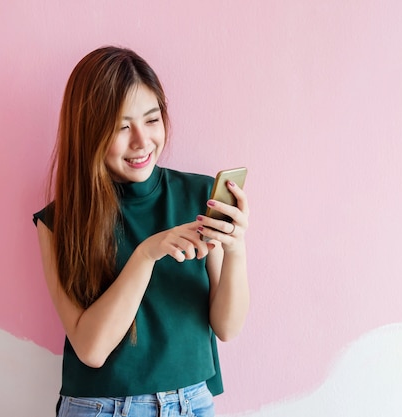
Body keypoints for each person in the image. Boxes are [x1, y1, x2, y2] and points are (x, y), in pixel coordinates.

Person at [33, 46, 250, 417]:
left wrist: (236, 250)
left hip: (192, 402)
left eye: (151, 120)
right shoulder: (59, 221)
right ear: (89, 132)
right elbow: (91, 349)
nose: (141, 142)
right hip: (101, 407)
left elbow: (227, 328)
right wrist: (147, 253)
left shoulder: (201, 197)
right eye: (121, 127)